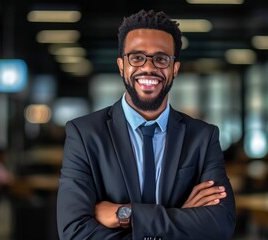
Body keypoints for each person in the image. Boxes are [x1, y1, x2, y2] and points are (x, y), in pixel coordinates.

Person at [56, 9, 236, 240]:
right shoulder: (83, 134)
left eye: (161, 58)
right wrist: (181, 216)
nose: (149, 68)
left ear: (175, 69)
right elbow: (74, 232)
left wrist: (127, 214)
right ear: (122, 66)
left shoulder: (203, 137)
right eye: (137, 57)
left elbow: (221, 225)